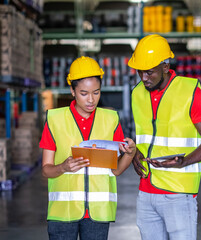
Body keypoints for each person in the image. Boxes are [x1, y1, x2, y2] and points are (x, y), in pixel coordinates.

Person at [128, 34, 201, 240]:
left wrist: (184, 161)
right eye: (140, 71)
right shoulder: (137, 94)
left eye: (149, 72)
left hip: (178, 194)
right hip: (146, 191)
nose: (144, 78)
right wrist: (135, 153)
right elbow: (145, 136)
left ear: (165, 66)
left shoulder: (189, 91)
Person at [39, 56, 136, 240]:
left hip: (98, 214)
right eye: (84, 93)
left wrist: (130, 154)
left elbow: (115, 171)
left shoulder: (111, 120)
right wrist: (63, 167)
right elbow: (46, 170)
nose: (91, 100)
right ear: (72, 91)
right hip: (63, 213)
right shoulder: (55, 120)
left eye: (96, 92)